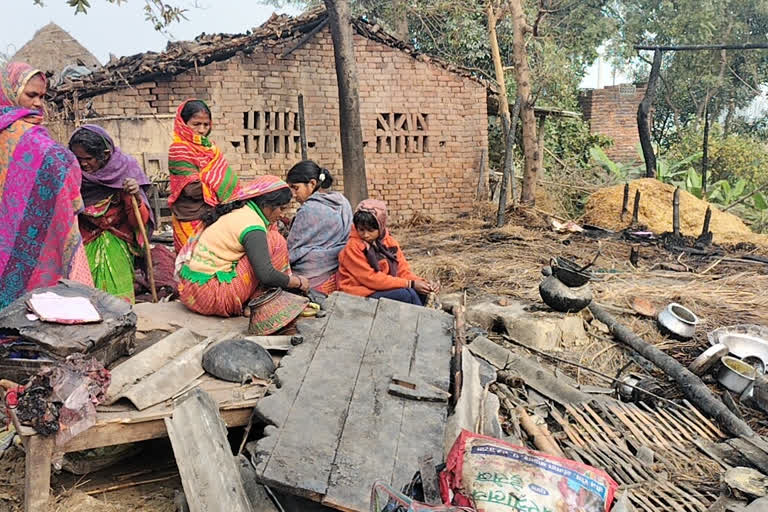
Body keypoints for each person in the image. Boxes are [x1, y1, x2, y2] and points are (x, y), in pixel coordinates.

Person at [0, 61, 93, 310]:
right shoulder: (27, 135)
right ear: (10, 92)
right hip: (26, 237)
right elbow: (61, 164)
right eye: (31, 95)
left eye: (42, 96)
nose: (38, 103)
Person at [176, 175, 311, 330]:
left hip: (190, 291)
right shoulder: (252, 224)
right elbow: (266, 274)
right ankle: (257, 305)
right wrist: (297, 282)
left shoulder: (239, 212)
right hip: (214, 296)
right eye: (281, 208)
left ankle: (251, 301)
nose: (281, 214)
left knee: (264, 246)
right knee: (275, 241)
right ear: (266, 205)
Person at [69, 125, 153, 303]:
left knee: (117, 300)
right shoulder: (72, 174)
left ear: (106, 154)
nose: (83, 164)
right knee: (84, 295)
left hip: (118, 240)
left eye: (88, 158)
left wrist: (135, 195)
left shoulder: (125, 170)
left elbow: (139, 221)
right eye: (77, 158)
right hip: (84, 240)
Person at [168, 99, 240, 252]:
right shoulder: (179, 149)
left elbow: (221, 175)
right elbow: (191, 189)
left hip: (213, 216)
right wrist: (222, 183)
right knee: (193, 266)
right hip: (191, 217)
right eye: (196, 124)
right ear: (183, 123)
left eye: (206, 125)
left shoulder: (210, 148)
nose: (201, 130)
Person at [338, 199, 437, 305]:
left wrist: (423, 283)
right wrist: (410, 284)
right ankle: (422, 320)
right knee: (407, 295)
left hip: (381, 287)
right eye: (361, 230)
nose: (365, 235)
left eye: (370, 230)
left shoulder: (390, 243)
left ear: (381, 227)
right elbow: (371, 279)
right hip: (360, 291)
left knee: (422, 293)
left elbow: (402, 271)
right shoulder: (353, 247)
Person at [285, 160, 352, 294]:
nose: (292, 194)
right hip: (340, 269)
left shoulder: (308, 209)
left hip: (312, 275)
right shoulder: (342, 202)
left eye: (295, 187)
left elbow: (290, 250)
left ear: (312, 184)